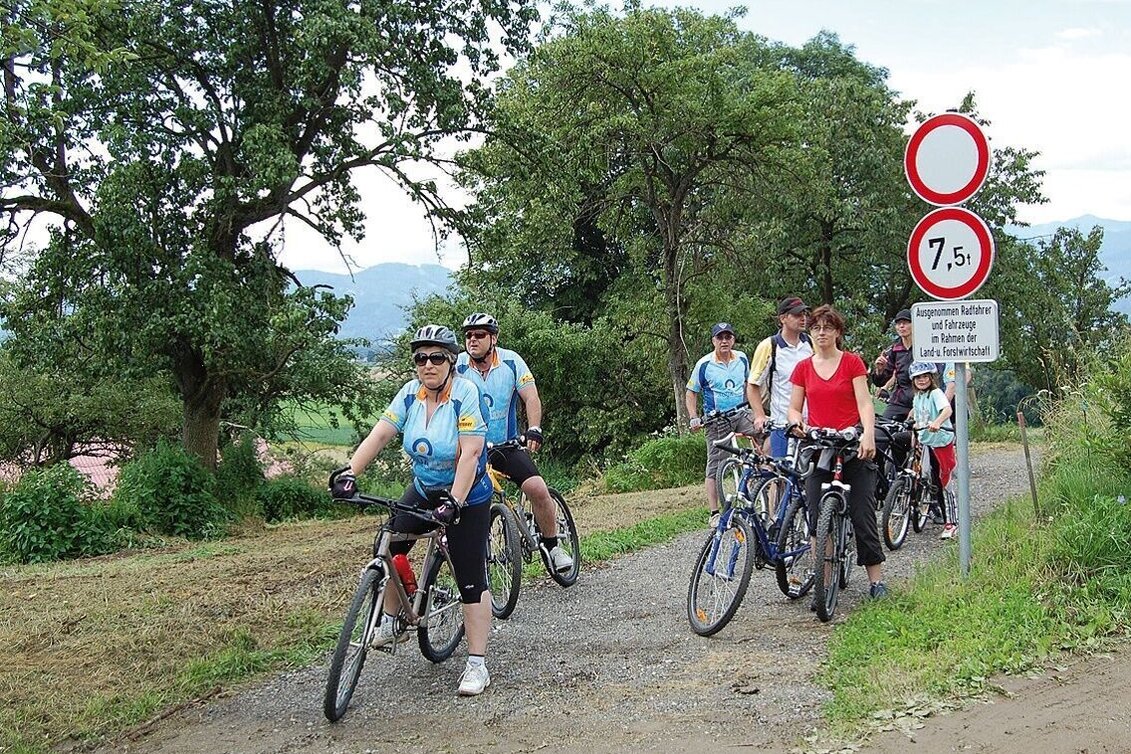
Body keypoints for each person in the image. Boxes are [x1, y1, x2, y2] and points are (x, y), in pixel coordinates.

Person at [330, 325, 495, 696]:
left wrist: (454, 501)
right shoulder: (409, 394)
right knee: (389, 544)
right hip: (424, 488)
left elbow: (470, 454)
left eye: (436, 357)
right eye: (421, 358)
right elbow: (380, 434)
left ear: (451, 362)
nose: (428, 364)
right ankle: (391, 619)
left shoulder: (465, 393)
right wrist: (350, 472)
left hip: (467, 494)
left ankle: (476, 664)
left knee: (470, 578)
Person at [455, 312, 574, 573]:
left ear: (493, 338)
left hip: (506, 446)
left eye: (479, 335)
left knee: (538, 488)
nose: (472, 339)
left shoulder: (511, 361)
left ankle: (554, 547)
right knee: (460, 502)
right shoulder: (457, 366)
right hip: (470, 450)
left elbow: (531, 397)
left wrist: (534, 428)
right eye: (468, 335)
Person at [787, 305, 887, 600]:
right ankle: (823, 582)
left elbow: (865, 403)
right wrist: (796, 422)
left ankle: (876, 581)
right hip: (819, 445)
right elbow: (794, 407)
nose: (821, 333)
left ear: (837, 332)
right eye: (816, 328)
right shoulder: (803, 368)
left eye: (828, 328)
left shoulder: (852, 362)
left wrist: (868, 434)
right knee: (816, 516)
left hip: (851, 443)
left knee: (862, 513)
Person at [686, 322, 754, 527]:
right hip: (717, 420)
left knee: (766, 432)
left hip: (741, 413)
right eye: (720, 337)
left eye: (728, 337)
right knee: (715, 464)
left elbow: (749, 384)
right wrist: (694, 417)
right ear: (713, 341)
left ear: (733, 340)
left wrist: (758, 410)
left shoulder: (742, 358)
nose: (724, 341)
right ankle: (714, 512)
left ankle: (763, 482)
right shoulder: (704, 364)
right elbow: (691, 392)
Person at [747, 296, 813, 458]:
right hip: (782, 424)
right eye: (797, 314)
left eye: (804, 314)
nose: (803, 318)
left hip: (810, 425)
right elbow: (753, 384)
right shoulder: (769, 346)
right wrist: (759, 415)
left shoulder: (811, 344)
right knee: (782, 469)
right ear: (783, 318)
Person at [908, 361, 957, 539]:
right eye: (918, 377)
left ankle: (952, 522)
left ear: (931, 378)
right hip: (925, 441)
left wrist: (937, 422)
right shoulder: (918, 397)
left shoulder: (936, 393)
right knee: (921, 474)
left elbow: (947, 410)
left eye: (925, 376)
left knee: (944, 480)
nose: (921, 380)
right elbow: (918, 416)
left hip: (941, 441)